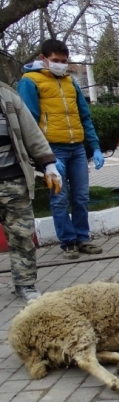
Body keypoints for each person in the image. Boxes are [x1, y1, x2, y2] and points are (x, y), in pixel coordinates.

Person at [17, 38, 105, 259]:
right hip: (53, 151)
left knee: (81, 197)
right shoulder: (30, 81)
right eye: (56, 60)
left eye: (64, 61)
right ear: (43, 59)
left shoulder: (70, 81)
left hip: (77, 149)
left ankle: (83, 238)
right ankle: (68, 242)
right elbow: (29, 122)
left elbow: (84, 115)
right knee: (59, 198)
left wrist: (94, 147)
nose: (61, 64)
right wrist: (43, 157)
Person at [0, 82, 59, 303]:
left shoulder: (7, 96)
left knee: (22, 236)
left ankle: (25, 284)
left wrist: (49, 164)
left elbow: (31, 133)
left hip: (13, 181)